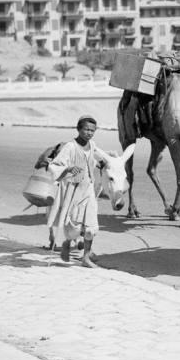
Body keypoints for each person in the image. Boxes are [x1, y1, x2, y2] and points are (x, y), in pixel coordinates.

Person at [46, 115, 104, 268]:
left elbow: (94, 158)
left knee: (91, 226)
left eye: (92, 130)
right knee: (75, 226)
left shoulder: (92, 145)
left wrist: (101, 163)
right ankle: (67, 242)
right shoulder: (70, 147)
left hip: (88, 189)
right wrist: (68, 169)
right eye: (86, 129)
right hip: (73, 191)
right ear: (78, 129)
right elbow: (54, 166)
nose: (89, 133)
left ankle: (86, 258)